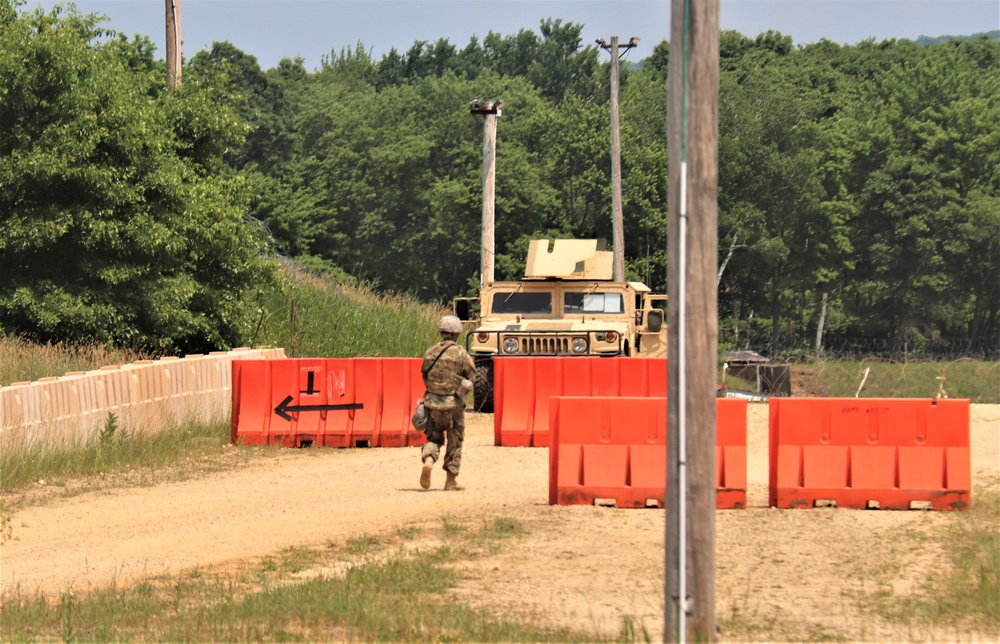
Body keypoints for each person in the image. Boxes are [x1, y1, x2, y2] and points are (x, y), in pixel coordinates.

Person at [419, 314, 475, 491]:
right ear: (457, 333)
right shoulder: (461, 353)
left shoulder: (430, 352)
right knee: (454, 440)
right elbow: (472, 377)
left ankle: (429, 460)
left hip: (432, 403)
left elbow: (425, 376)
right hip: (453, 406)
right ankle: (450, 481)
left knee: (434, 437)